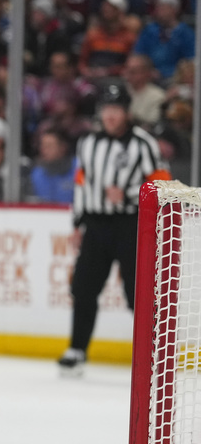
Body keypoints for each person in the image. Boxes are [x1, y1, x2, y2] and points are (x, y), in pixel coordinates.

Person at [58, 83, 170, 376]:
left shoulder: (143, 143)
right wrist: (77, 223)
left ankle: (151, 355)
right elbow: (81, 184)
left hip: (130, 225)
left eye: (116, 109)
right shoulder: (88, 143)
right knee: (83, 288)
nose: (110, 115)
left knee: (138, 293)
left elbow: (161, 183)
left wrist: (130, 194)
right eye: (106, 109)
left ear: (127, 112)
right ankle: (76, 349)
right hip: (96, 224)